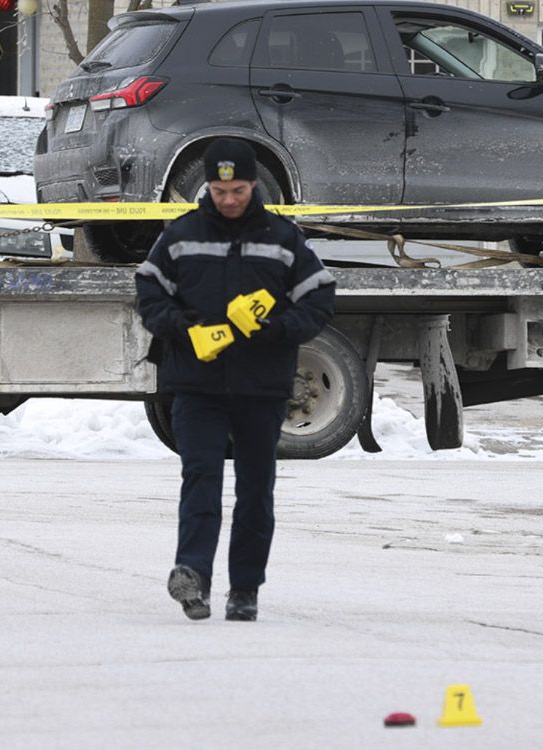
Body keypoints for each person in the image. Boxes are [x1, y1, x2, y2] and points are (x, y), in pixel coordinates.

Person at [135, 139, 335, 621]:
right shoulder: (180, 235)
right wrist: (185, 332)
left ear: (254, 185)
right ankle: (192, 576)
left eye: (238, 189)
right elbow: (148, 292)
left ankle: (245, 588)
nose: (228, 199)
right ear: (208, 185)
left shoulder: (284, 238)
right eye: (220, 190)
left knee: (255, 491)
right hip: (197, 384)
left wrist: (275, 330)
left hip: (260, 388)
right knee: (200, 479)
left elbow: (320, 298)